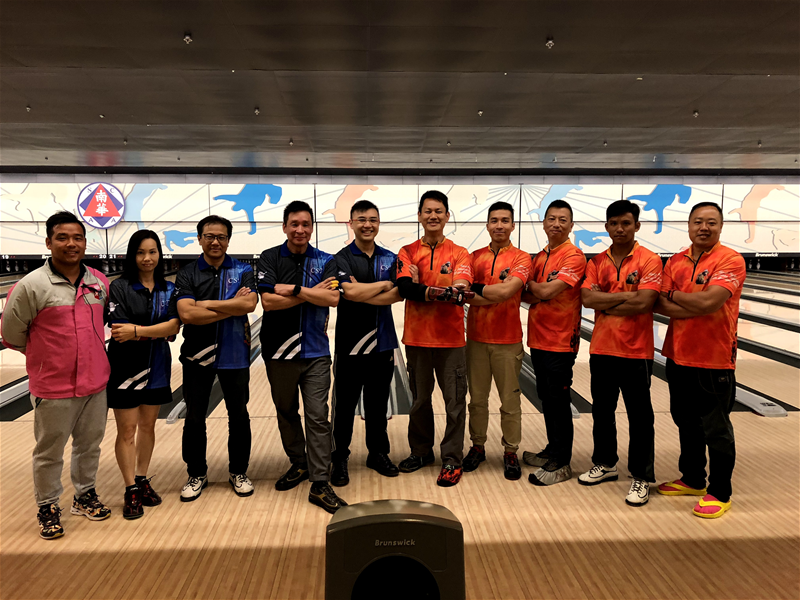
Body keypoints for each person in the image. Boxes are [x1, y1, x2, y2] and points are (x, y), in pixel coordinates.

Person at [1, 211, 111, 539]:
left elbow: (103, 322)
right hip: (53, 385)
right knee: (49, 452)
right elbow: (11, 334)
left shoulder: (99, 281)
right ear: (49, 242)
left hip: (95, 381)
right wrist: (46, 359)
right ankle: (48, 506)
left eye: (77, 238)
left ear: (85, 243)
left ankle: (84, 495)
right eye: (62, 238)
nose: (71, 244)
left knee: (89, 445)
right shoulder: (30, 286)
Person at [654, 202, 745, 519]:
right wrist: (691, 303)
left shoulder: (730, 259)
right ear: (689, 225)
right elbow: (658, 304)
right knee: (686, 421)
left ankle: (720, 492)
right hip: (678, 355)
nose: (704, 227)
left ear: (720, 226)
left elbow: (710, 302)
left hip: (714, 357)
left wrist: (676, 296)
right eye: (698, 221)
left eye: (711, 222)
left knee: (715, 428)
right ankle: (693, 478)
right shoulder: (676, 261)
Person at [257, 200, 347, 513]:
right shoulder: (270, 257)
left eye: (305, 224)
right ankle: (299, 463)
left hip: (316, 352)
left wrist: (293, 289)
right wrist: (311, 292)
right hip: (278, 352)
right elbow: (268, 302)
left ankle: (320, 482)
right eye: (294, 224)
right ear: (285, 227)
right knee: (286, 411)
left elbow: (332, 298)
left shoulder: (325, 260)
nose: (300, 230)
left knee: (318, 416)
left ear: (312, 227)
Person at [578, 200, 662, 506]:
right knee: (602, 411)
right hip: (602, 348)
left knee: (640, 416)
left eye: (626, 223)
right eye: (614, 223)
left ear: (637, 226)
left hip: (636, 351)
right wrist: (627, 296)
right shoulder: (597, 261)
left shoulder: (649, 259)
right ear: (606, 226)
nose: (619, 229)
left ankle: (641, 476)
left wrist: (607, 299)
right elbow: (588, 299)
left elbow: (645, 302)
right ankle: (606, 463)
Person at [173, 215, 258, 502]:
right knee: (195, 418)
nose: (215, 242)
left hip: (235, 353)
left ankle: (238, 471)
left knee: (239, 415)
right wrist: (232, 306)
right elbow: (187, 313)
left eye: (221, 237)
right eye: (209, 236)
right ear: (199, 239)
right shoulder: (187, 273)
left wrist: (206, 304)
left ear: (228, 240)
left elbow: (250, 304)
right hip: (197, 355)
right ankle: (196, 473)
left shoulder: (243, 269)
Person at [395, 190, 474, 487]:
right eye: (427, 211)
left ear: (447, 216)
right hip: (416, 340)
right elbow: (405, 288)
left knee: (455, 403)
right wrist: (435, 290)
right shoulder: (407, 251)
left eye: (438, 211)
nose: (433, 216)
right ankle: (421, 452)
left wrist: (423, 289)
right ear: (419, 216)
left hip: (451, 341)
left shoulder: (460, 253)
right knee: (419, 401)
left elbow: (460, 291)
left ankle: (452, 459)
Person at [106, 230, 180, 519]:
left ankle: (142, 478)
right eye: (140, 252)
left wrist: (137, 331)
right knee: (127, 431)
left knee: (148, 427)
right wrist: (156, 331)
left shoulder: (169, 289)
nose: (147, 258)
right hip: (125, 368)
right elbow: (119, 332)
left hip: (157, 366)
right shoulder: (120, 287)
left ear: (159, 254)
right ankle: (130, 489)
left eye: (152, 252)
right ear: (132, 255)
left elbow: (173, 329)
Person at [330, 200, 403, 486]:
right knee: (344, 407)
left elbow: (397, 294)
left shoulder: (390, 258)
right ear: (351, 223)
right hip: (350, 344)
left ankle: (378, 453)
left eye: (372, 219)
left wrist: (363, 293)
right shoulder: (341, 258)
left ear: (378, 223)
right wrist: (382, 285)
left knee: (377, 405)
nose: (367, 224)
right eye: (361, 219)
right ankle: (339, 457)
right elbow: (348, 292)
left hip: (382, 343)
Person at [462, 201, 531, 481]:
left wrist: (481, 291)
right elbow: (467, 296)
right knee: (477, 400)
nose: (499, 225)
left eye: (504, 220)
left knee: (509, 402)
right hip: (477, 340)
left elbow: (507, 292)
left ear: (513, 225)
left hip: (508, 341)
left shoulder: (522, 258)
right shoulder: (473, 257)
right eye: (494, 220)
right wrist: (493, 292)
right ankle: (477, 446)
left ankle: (510, 451)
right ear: (487, 225)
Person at [521, 199, 587, 486]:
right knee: (547, 397)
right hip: (538, 338)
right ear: (544, 223)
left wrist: (536, 288)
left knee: (558, 400)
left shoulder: (574, 256)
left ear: (571, 225)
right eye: (552, 218)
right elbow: (528, 295)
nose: (556, 224)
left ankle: (561, 462)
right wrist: (538, 290)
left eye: (562, 220)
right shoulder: (539, 257)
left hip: (561, 340)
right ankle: (552, 449)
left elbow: (546, 291)